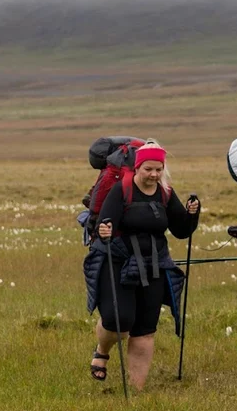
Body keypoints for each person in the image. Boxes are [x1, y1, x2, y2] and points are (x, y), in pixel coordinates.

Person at [84, 140, 200, 390]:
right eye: (149, 169)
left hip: (154, 265)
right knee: (119, 320)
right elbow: (105, 223)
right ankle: (102, 350)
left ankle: (136, 390)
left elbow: (181, 230)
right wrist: (105, 230)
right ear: (137, 168)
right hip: (118, 263)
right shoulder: (120, 190)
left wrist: (192, 215)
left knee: (146, 328)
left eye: (159, 169)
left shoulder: (166, 193)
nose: (154, 174)